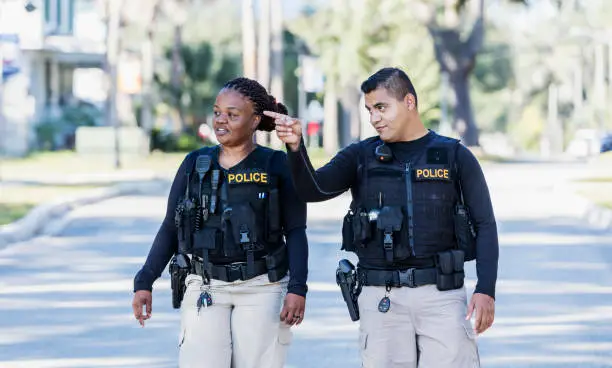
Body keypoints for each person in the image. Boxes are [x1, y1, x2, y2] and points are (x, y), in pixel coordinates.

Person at [268, 67, 498, 368]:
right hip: (381, 299)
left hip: (441, 296)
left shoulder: (453, 155)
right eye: (369, 110)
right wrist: (295, 148)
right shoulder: (361, 156)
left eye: (381, 107)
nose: (374, 117)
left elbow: (485, 224)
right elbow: (315, 189)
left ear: (409, 102)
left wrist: (486, 289)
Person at [132, 77, 309, 368]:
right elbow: (170, 227)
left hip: (262, 286)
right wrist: (144, 281)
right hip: (205, 285)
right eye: (217, 112)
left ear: (254, 121)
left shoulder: (275, 164)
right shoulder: (194, 163)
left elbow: (296, 231)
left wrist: (297, 288)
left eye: (232, 114)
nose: (220, 121)